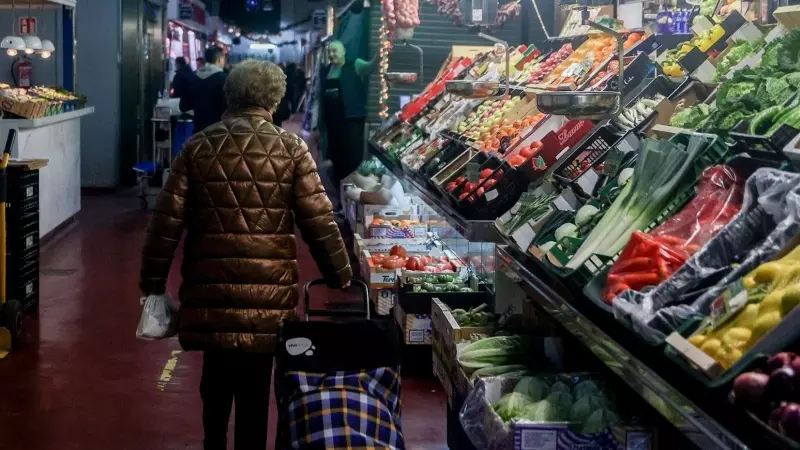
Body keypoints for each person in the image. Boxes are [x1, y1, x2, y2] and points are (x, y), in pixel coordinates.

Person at [139, 60, 353, 450]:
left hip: (210, 293)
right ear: (274, 99)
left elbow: (164, 223)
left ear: (230, 94)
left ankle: (213, 444)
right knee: (256, 390)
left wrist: (152, 285)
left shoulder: (198, 146)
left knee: (215, 382)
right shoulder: (290, 149)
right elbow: (319, 220)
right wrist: (339, 274)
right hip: (266, 299)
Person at [313, 40, 377, 204]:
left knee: (351, 160)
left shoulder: (355, 64)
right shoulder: (326, 70)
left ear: (343, 52)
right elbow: (320, 99)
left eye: (335, 51)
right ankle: (340, 200)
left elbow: (371, 67)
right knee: (336, 159)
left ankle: (351, 199)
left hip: (352, 121)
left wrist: (383, 52)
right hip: (333, 123)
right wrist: (319, 125)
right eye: (330, 52)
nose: (332, 54)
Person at [180, 46, 228, 132]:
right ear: (219, 59)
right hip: (219, 131)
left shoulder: (192, 77)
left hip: (198, 130)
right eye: (224, 58)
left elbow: (183, 106)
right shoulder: (224, 79)